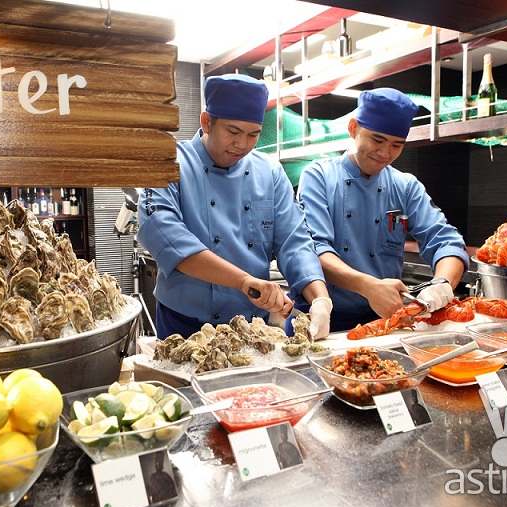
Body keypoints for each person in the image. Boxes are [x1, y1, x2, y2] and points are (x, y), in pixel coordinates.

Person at [138, 74, 332, 340]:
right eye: (233, 132)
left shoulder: (270, 173)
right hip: (182, 325)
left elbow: (294, 242)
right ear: (206, 122)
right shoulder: (166, 164)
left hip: (252, 327)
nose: (243, 145)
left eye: (253, 134)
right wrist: (243, 281)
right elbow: (168, 238)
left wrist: (320, 298)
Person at [297, 88, 469, 331]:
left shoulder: (405, 186)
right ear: (353, 128)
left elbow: (445, 240)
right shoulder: (319, 176)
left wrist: (443, 284)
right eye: (377, 140)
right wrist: (368, 286)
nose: (385, 153)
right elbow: (314, 250)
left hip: (386, 320)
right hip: (326, 319)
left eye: (397, 145)